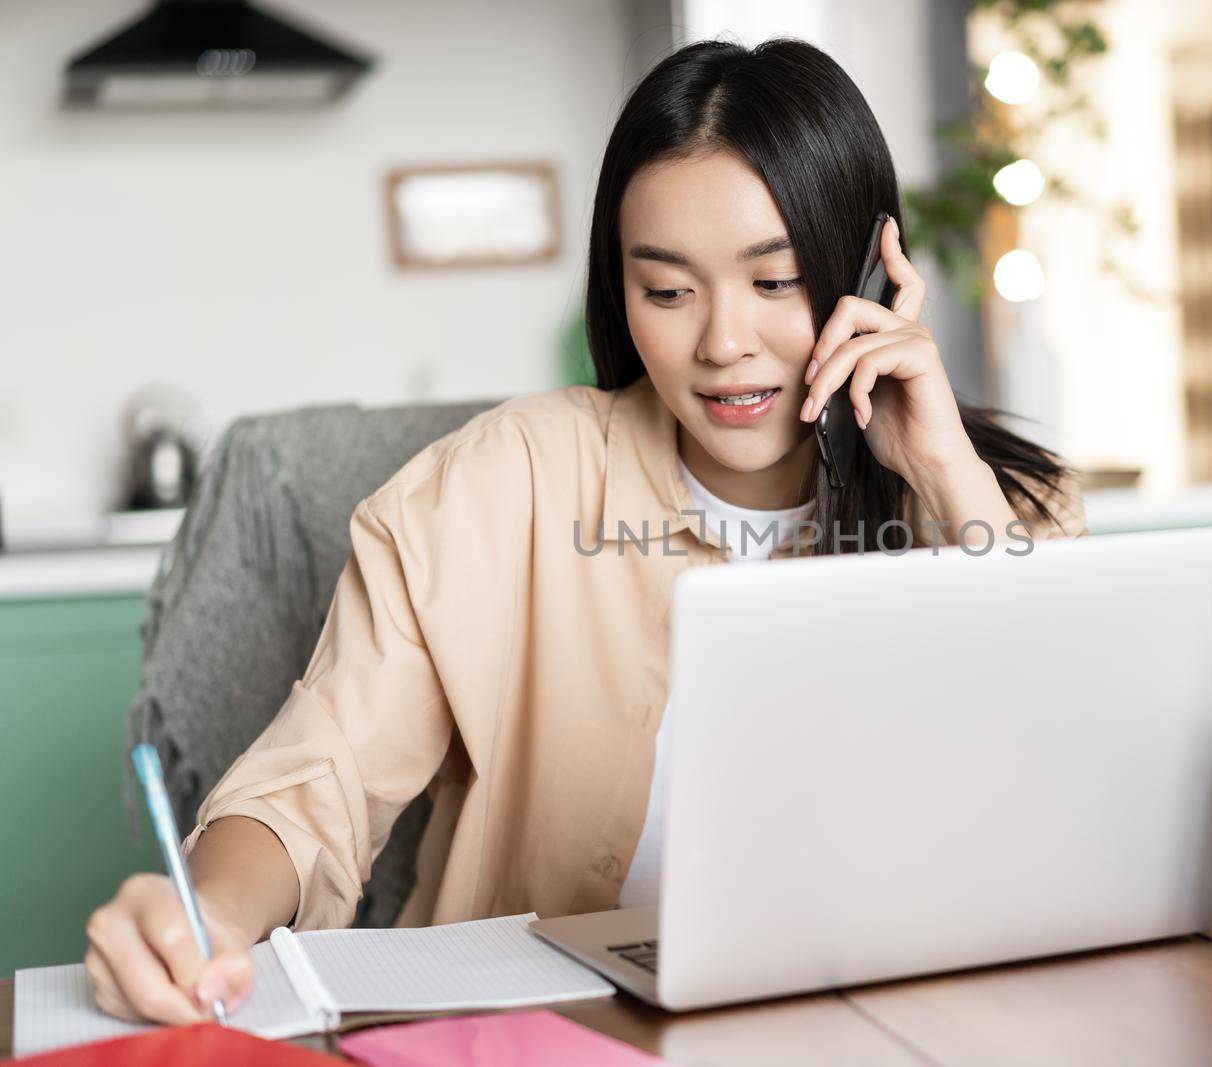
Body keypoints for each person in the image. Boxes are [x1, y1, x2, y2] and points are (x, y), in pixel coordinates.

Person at [82, 37, 1087, 1025]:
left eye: (774, 282)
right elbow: (321, 776)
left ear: (873, 274)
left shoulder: (999, 509)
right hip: (541, 1035)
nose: (723, 342)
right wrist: (208, 907)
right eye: (667, 290)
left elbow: (1071, 803)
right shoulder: (498, 481)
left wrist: (946, 475)